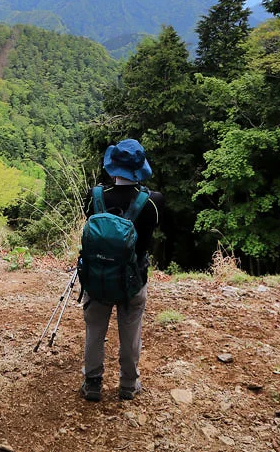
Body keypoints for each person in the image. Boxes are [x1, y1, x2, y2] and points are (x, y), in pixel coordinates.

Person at [78, 138, 167, 402]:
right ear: (139, 169)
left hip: (97, 279)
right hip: (134, 280)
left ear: (112, 166)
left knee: (95, 331)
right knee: (130, 333)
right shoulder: (153, 201)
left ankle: (92, 383)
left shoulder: (94, 197)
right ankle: (128, 384)